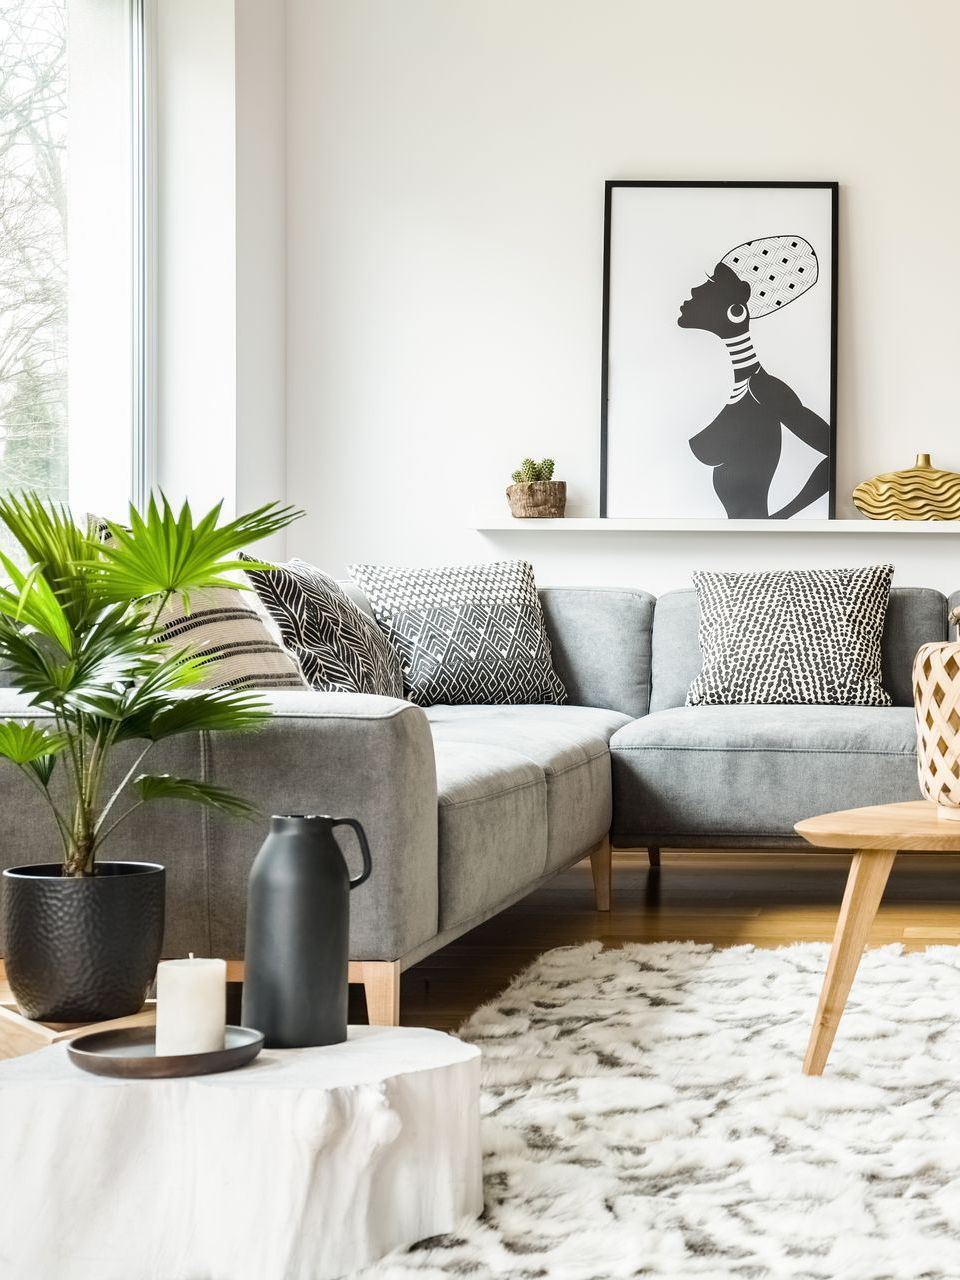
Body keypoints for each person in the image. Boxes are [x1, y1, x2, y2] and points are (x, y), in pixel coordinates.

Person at [678, 236, 830, 519]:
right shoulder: (733, 386)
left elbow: (832, 453)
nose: (694, 288)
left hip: (756, 545)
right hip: (734, 546)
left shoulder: (762, 387)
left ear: (735, 313)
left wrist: (781, 519)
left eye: (710, 283)